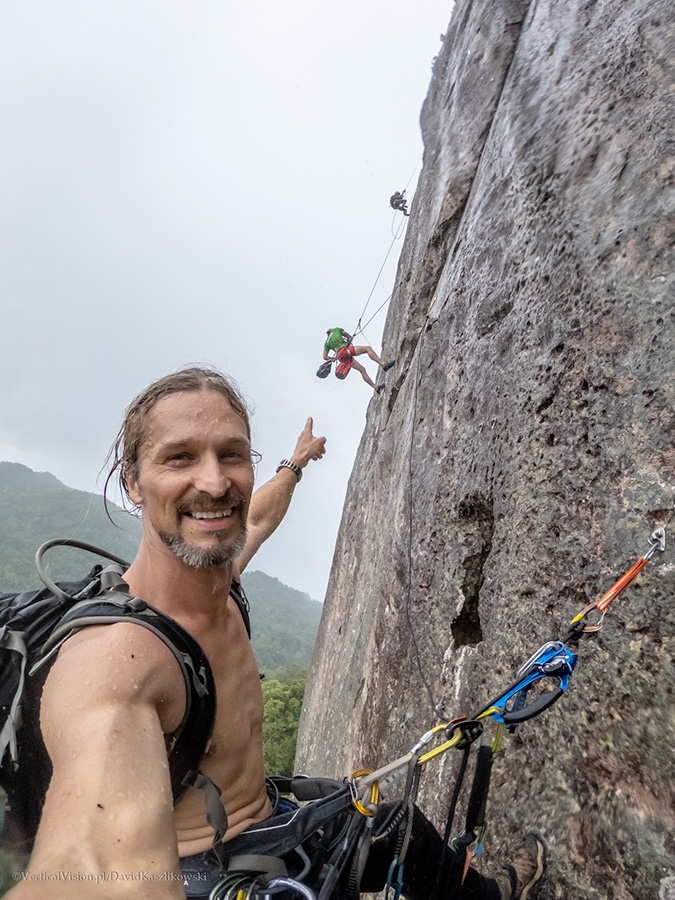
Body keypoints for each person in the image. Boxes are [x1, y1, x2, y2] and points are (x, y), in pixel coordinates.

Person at [6, 367, 545, 900]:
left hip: (268, 816)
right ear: (133, 482)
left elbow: (258, 518)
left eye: (232, 455)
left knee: (396, 828)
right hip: (205, 871)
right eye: (180, 458)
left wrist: (296, 463)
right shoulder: (117, 659)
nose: (215, 483)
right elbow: (90, 869)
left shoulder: (220, 579)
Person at [323, 327, 395, 394]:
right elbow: (349, 337)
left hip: (340, 357)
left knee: (362, 370)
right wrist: (348, 340)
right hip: (346, 350)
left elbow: (325, 357)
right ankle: (383, 364)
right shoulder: (336, 329)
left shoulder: (327, 343)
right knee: (367, 349)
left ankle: (376, 387)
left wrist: (333, 359)